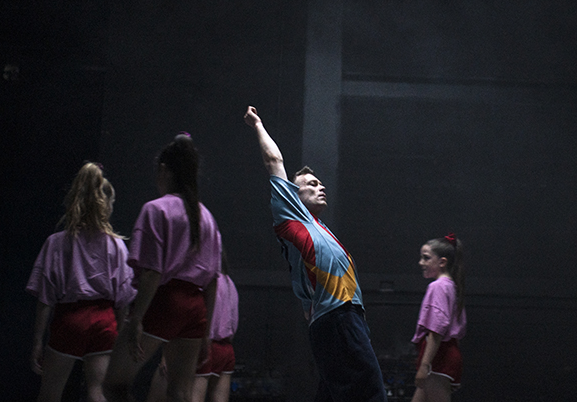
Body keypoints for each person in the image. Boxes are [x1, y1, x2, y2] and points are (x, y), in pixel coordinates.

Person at [243, 106, 387, 402]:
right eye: (311, 184)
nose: (320, 186)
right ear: (293, 196)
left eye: (320, 183)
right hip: (338, 319)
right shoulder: (290, 217)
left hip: (345, 321)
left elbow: (308, 293)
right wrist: (257, 123)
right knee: (371, 392)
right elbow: (274, 161)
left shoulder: (323, 230)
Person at [103, 133, 222, 402]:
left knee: (114, 386)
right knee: (180, 393)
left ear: (164, 170)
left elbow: (152, 272)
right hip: (196, 308)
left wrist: (136, 319)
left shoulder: (156, 210)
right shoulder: (207, 217)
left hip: (162, 302)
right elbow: (213, 281)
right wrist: (206, 332)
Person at [26, 162, 136, 402]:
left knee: (49, 394)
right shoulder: (116, 245)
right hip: (104, 321)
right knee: (98, 392)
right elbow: (123, 299)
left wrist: (37, 340)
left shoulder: (56, 243)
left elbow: (45, 298)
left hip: (69, 320)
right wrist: (118, 337)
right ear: (105, 204)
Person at [146, 250, 239, 402]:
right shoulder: (230, 284)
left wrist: (166, 355)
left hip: (199, 346)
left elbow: (187, 318)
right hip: (226, 351)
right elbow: (233, 321)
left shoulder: (203, 282)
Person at [410, 234, 466, 402]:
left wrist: (425, 366)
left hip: (439, 356)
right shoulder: (451, 286)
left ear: (442, 262)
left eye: (426, 258)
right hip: (443, 355)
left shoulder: (439, 286)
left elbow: (436, 330)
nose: (421, 263)